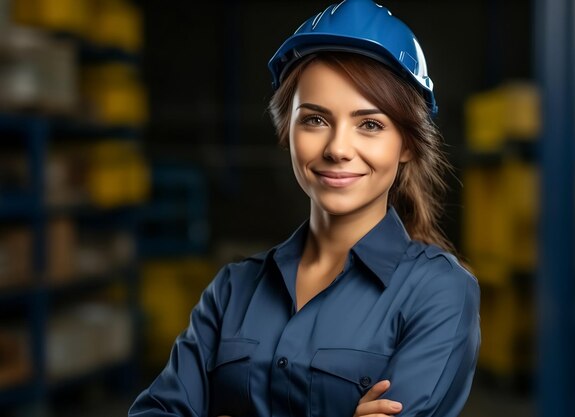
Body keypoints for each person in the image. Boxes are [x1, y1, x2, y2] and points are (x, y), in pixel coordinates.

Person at [129, 0, 480, 416]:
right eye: (315, 119)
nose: (337, 149)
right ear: (287, 131)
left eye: (370, 124)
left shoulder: (439, 293)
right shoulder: (232, 290)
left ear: (406, 144)